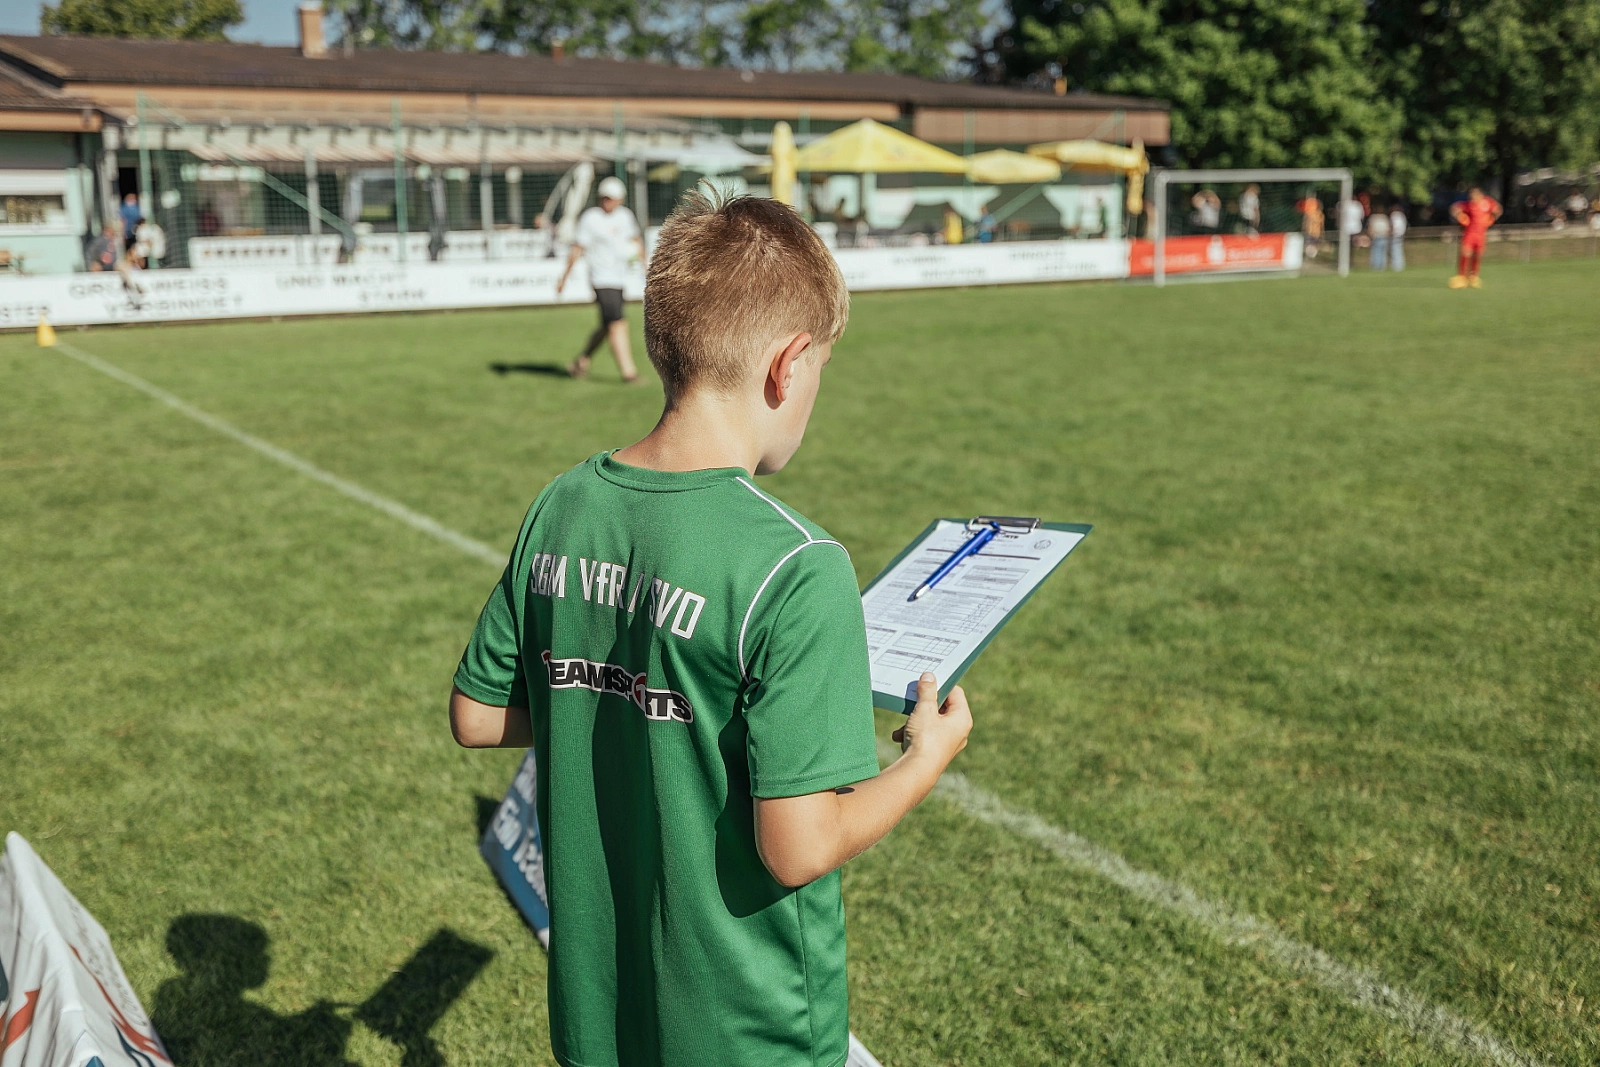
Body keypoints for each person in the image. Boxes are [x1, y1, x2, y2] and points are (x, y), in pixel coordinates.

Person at [449, 191, 974, 1067]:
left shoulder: (563, 502)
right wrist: (925, 757)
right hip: (749, 1027)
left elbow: (476, 715)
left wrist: (615, 696)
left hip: (601, 1008)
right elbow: (799, 847)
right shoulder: (798, 564)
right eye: (822, 367)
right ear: (789, 364)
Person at [558, 175, 644, 383]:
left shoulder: (625, 216)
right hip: (601, 279)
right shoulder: (590, 218)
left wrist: (646, 266)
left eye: (611, 198)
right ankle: (629, 372)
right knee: (617, 323)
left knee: (607, 325)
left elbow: (636, 241)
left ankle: (581, 361)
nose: (607, 201)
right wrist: (564, 277)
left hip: (619, 278)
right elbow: (578, 248)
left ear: (620, 199)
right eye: (604, 197)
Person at [1449, 186, 1502, 288]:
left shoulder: (1487, 202)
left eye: (1474, 194)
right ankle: (1462, 277)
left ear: (1480, 194)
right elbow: (1454, 208)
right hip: (1470, 233)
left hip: (1481, 234)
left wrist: (1491, 219)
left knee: (1478, 254)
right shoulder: (1469, 205)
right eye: (1471, 195)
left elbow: (1498, 209)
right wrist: (1461, 217)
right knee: (1466, 252)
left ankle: (1473, 276)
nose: (1473, 197)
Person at [1298, 193, 1324, 258]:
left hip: (1315, 233)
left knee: (1313, 244)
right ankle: (1309, 255)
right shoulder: (1309, 214)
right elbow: (1306, 223)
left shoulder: (1319, 215)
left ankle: (1312, 254)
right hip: (1310, 232)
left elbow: (1321, 225)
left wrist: (1322, 233)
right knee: (1309, 244)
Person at [1366, 205, 1390, 270]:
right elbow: (1388, 228)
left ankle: (1376, 266)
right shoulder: (1384, 218)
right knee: (1383, 252)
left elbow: (1370, 227)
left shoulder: (1373, 218)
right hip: (1383, 235)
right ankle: (1382, 266)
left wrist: (1370, 234)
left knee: (1376, 252)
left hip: (1376, 235)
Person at [1388, 202, 1408, 271]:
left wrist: (1390, 232)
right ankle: (1400, 265)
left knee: (1395, 250)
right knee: (1399, 250)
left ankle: (1396, 265)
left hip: (1395, 234)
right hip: (1401, 234)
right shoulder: (1402, 215)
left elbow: (1393, 225)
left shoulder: (1394, 215)